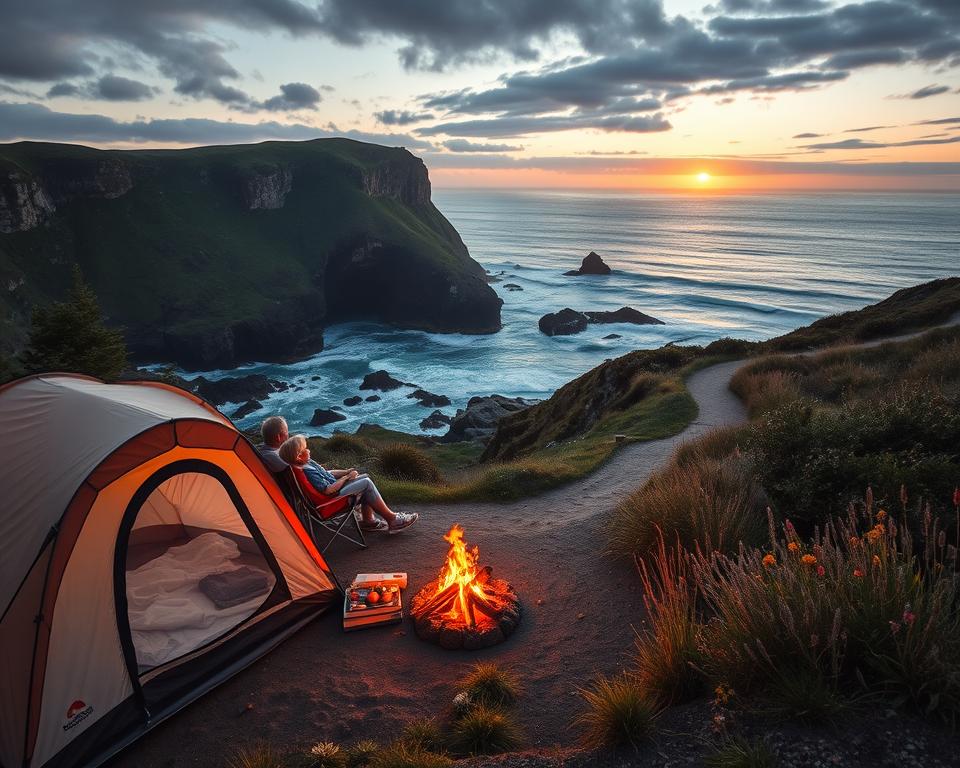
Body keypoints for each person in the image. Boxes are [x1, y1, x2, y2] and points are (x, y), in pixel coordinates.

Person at [278, 433, 419, 534]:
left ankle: (368, 521)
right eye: (305, 449)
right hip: (332, 500)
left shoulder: (307, 463)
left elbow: (328, 473)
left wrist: (346, 471)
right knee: (366, 483)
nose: (308, 450)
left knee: (365, 477)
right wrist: (346, 478)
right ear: (298, 457)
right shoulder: (306, 472)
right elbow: (328, 490)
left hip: (336, 491)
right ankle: (393, 520)